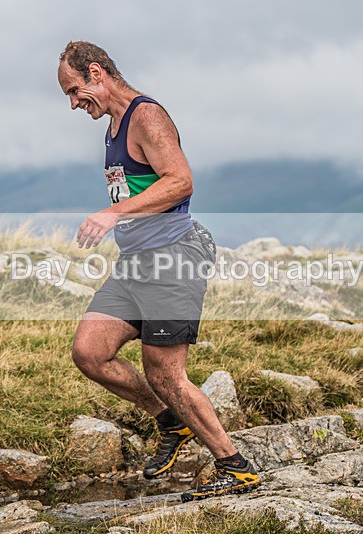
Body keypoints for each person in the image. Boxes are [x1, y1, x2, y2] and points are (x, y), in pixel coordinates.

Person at [57, 41, 260, 502]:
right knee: (90, 351)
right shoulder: (111, 126)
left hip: (173, 258)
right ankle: (169, 420)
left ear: (96, 73)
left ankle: (235, 466)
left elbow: (180, 181)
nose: (73, 103)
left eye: (74, 90)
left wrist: (112, 215)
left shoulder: (146, 117)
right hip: (135, 265)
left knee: (166, 373)